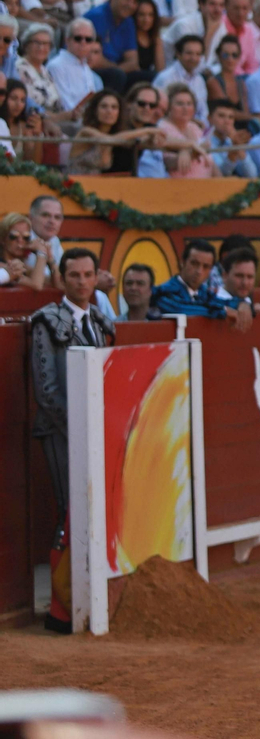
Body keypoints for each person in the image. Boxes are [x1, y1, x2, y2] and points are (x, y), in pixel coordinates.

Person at [30, 246, 113, 632]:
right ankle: (61, 610)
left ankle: (81, 601)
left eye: (87, 275)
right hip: (62, 431)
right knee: (69, 511)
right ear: (61, 279)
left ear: (97, 277)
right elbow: (46, 392)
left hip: (95, 432)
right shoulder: (45, 321)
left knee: (90, 511)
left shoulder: (100, 320)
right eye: (74, 275)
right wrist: (82, 428)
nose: (82, 282)